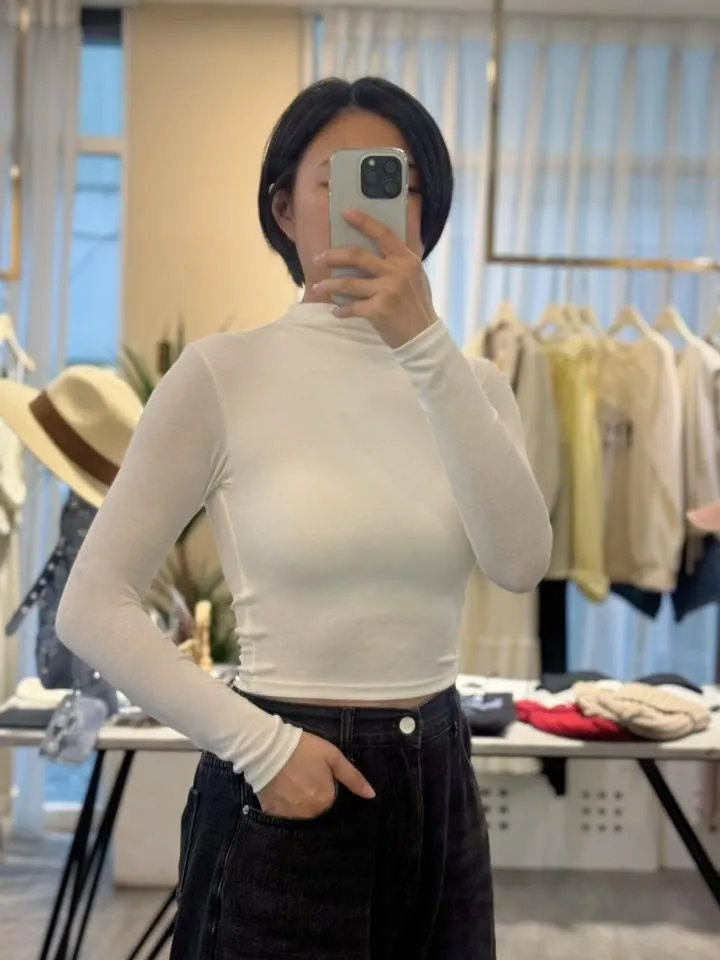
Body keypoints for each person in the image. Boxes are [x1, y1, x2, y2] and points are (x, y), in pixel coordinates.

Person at [57, 76, 552, 960]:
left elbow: (519, 563)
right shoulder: (221, 376)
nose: (374, 203)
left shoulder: (471, 384)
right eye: (340, 178)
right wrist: (262, 749)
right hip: (283, 776)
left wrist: (425, 348)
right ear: (283, 207)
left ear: (428, 209)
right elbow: (91, 605)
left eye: (399, 182)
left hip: (440, 778)